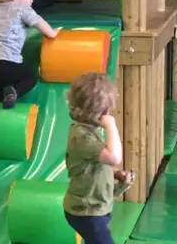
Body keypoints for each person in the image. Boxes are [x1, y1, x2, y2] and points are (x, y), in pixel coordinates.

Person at [63, 73, 135, 244]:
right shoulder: (83, 137)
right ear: (101, 112)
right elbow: (114, 157)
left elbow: (95, 164)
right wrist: (111, 125)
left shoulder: (88, 132)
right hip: (85, 212)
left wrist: (116, 175)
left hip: (95, 209)